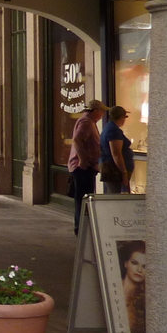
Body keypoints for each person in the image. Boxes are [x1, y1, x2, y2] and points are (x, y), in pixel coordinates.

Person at [67, 100, 106, 234]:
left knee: (83, 197)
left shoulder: (89, 122)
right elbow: (77, 140)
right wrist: (83, 160)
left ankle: (82, 226)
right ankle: (81, 228)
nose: (103, 114)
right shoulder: (86, 122)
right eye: (102, 111)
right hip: (83, 168)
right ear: (95, 111)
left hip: (87, 166)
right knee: (83, 198)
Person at [100, 105, 134, 194]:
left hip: (112, 168)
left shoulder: (109, 127)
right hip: (115, 170)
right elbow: (116, 153)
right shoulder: (114, 131)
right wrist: (124, 172)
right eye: (125, 117)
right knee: (116, 195)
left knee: (113, 193)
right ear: (121, 117)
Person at [118, 240, 147, 333]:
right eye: (134, 263)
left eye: (145, 266)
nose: (139, 270)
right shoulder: (112, 286)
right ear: (126, 263)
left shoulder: (146, 297)